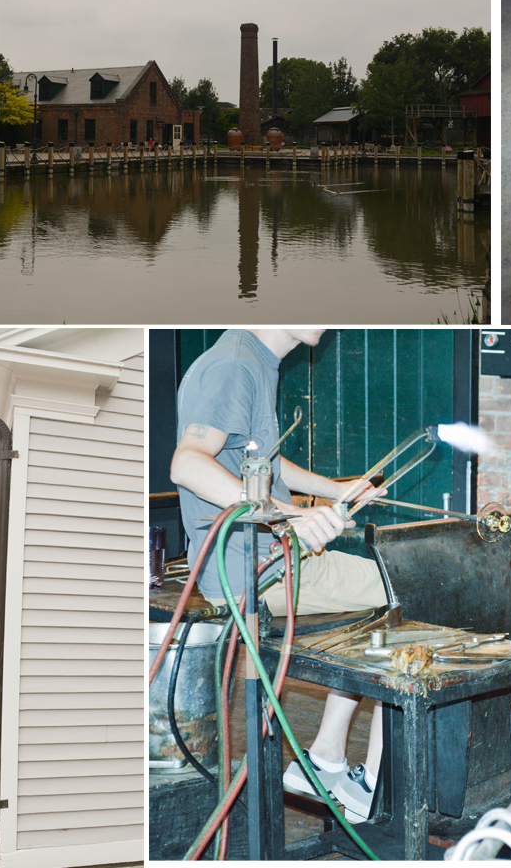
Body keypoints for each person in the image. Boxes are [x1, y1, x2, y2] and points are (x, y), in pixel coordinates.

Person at [170, 328, 388, 823]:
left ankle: (326, 758)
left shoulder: (254, 359)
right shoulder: (236, 366)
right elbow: (186, 464)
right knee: (407, 589)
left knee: (383, 599)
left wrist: (337, 490)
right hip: (256, 568)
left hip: (264, 557)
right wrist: (289, 516)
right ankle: (369, 783)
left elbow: (265, 465)